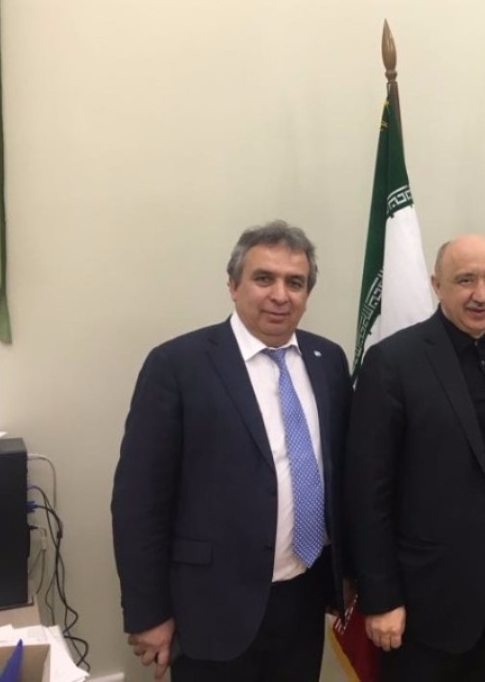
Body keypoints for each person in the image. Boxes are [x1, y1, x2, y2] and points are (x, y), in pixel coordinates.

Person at [111, 221, 352, 681]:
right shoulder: (177, 365)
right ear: (233, 285)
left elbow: (340, 474)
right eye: (264, 278)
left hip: (302, 598)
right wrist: (148, 613)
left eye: (295, 282)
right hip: (212, 607)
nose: (280, 295)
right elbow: (139, 502)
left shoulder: (328, 361)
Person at [344, 234, 485, 682]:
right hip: (424, 597)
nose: (482, 294)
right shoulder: (394, 361)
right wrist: (381, 597)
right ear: (437, 285)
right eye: (466, 280)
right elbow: (367, 490)